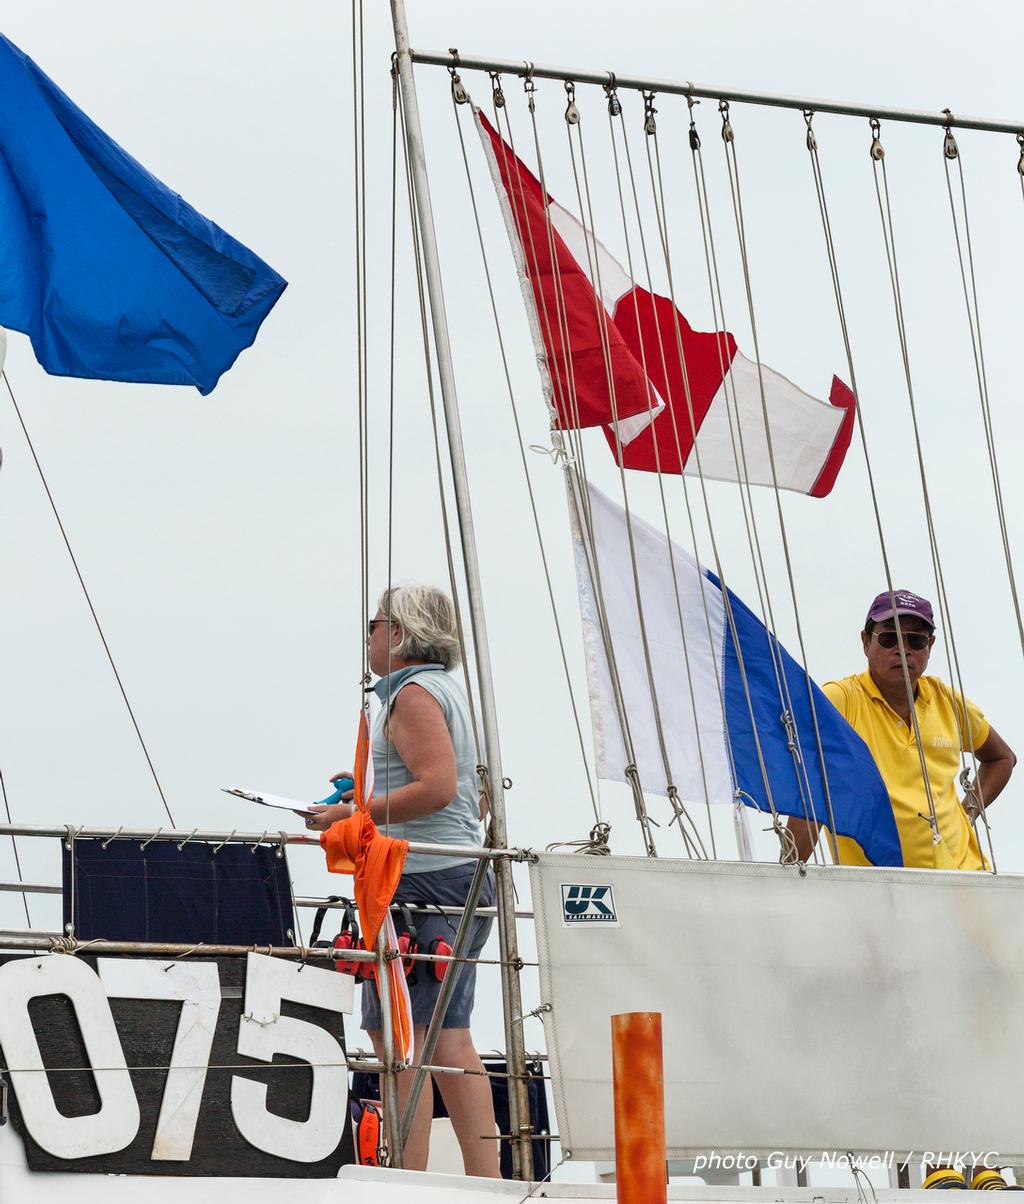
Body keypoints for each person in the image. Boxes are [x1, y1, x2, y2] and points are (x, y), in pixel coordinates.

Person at [305, 584, 499, 1177]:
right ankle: (488, 1179)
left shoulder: (411, 697)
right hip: (457, 879)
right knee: (448, 1038)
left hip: (422, 886)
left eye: (375, 623)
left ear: (402, 632)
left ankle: (406, 1179)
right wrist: (366, 794)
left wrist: (355, 816)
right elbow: (474, 797)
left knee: (401, 1040)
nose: (368, 634)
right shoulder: (447, 693)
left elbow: (438, 787)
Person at [788, 589, 1015, 869]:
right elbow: (811, 786)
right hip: (879, 889)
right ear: (865, 642)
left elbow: (1002, 758)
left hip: (962, 878)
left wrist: (968, 810)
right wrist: (787, 874)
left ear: (930, 645)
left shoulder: (948, 702)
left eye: (916, 640)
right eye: (889, 638)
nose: (903, 649)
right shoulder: (841, 700)